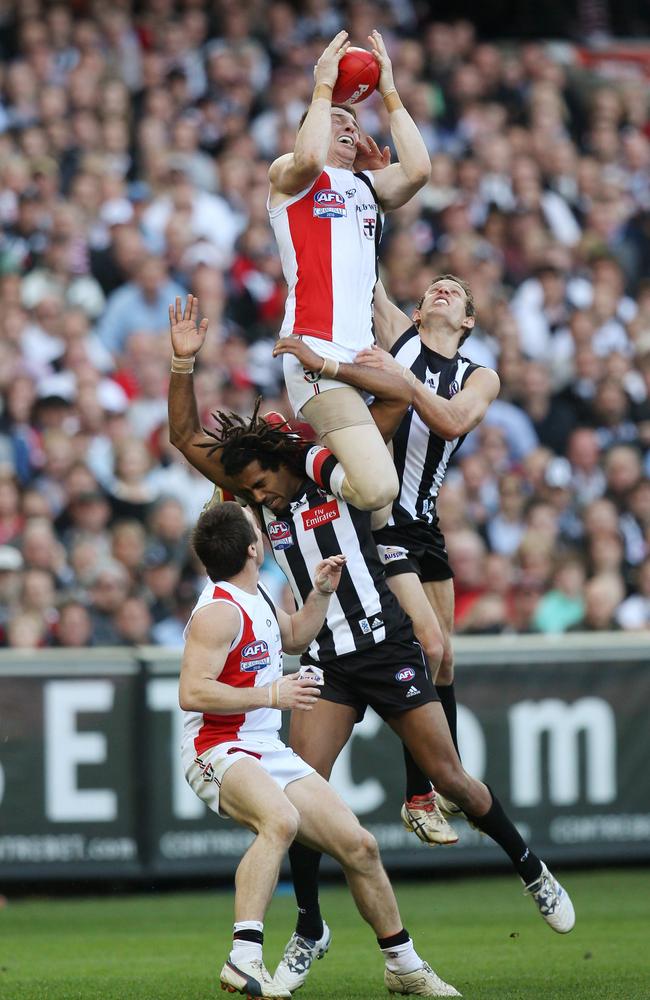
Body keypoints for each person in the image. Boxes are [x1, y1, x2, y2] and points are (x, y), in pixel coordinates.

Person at [168, 295, 574, 994]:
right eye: (245, 487)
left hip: (385, 647)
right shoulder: (260, 498)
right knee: (300, 794)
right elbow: (182, 436)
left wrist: (338, 367)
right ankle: (307, 928)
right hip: (326, 658)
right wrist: (182, 362)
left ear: (281, 464)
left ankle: (529, 866)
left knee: (449, 779)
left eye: (259, 481)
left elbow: (393, 410)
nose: (250, 493)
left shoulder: (331, 469)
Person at [181, 500, 460, 999]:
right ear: (253, 547)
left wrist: (321, 594)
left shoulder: (256, 594)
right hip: (218, 747)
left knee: (360, 846)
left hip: (263, 747)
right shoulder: (218, 612)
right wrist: (272, 695)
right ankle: (243, 958)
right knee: (281, 821)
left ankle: (403, 964)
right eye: (255, 527)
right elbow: (192, 693)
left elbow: (292, 635)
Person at [275, 273, 500, 830]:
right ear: (418, 311)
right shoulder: (400, 336)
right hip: (381, 521)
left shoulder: (480, 377)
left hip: (425, 525)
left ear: (468, 321)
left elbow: (448, 422)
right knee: (426, 644)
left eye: (455, 292)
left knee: (443, 658)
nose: (441, 292)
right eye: (433, 289)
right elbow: (363, 275)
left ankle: (438, 784)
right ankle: (421, 795)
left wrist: (402, 380)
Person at [267, 30, 431, 514]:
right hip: (315, 354)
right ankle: (294, 452)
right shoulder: (289, 177)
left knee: (381, 515)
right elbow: (310, 155)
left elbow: (419, 170)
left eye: (350, 120)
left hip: (362, 361)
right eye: (333, 118)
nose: (344, 124)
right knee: (380, 490)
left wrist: (389, 91)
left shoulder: (366, 185)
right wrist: (323, 88)